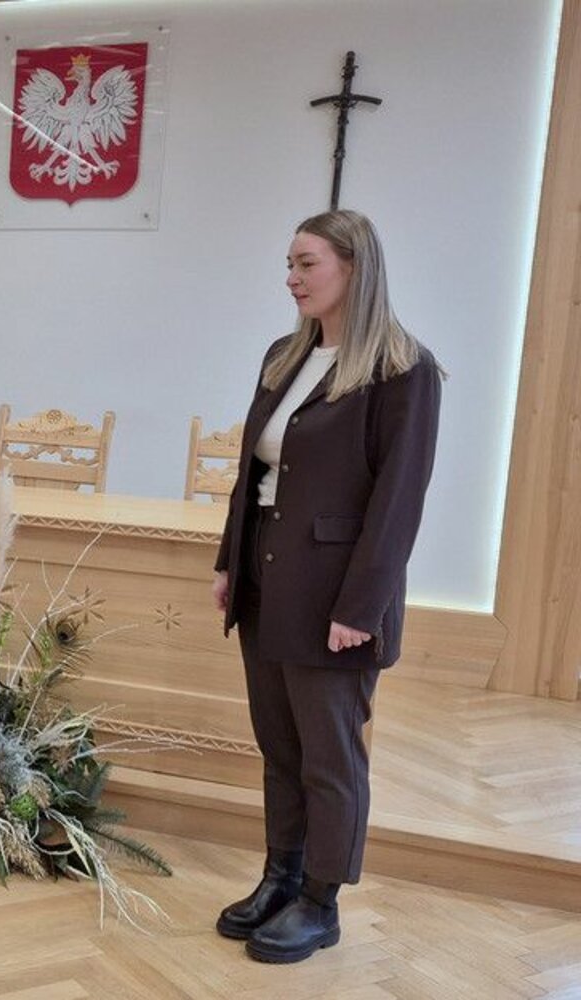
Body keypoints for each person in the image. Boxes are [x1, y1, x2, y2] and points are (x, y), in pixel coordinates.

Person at [211, 208, 442, 963]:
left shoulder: (403, 369)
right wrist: (229, 562)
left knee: (329, 757)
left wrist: (360, 607)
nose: (292, 277)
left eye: (306, 263)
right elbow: (253, 475)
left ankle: (320, 899)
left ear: (354, 266)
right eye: (289, 263)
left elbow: (398, 502)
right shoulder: (285, 356)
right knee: (279, 747)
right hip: (266, 580)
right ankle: (280, 876)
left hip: (334, 596)